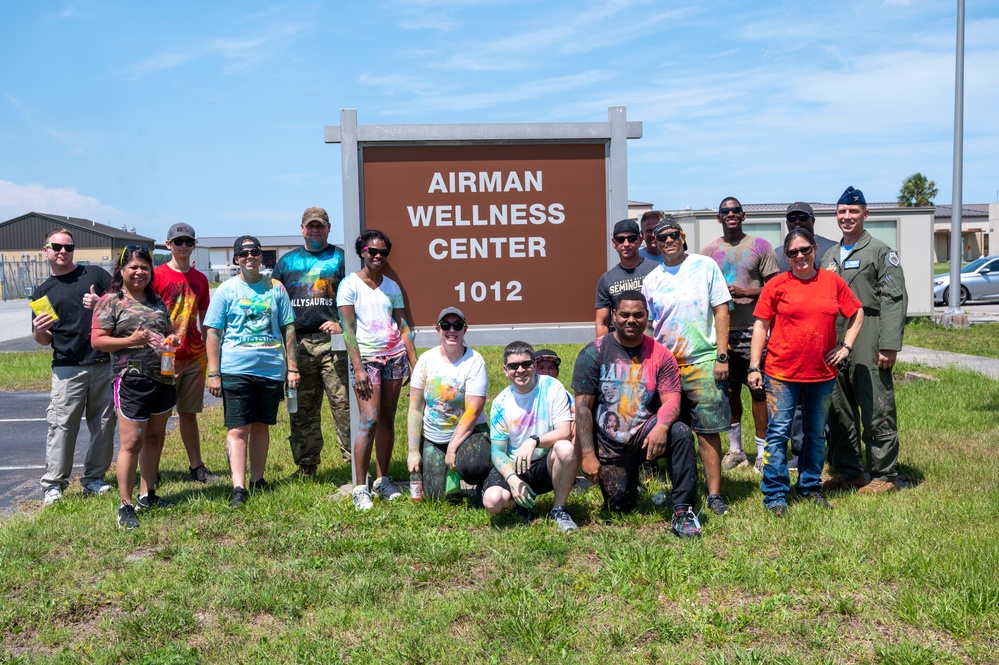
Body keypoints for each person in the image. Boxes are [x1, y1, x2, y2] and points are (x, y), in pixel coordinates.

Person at [749, 229, 864, 516]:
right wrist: (754, 366)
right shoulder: (776, 286)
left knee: (815, 435)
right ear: (786, 257)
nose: (800, 256)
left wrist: (846, 347)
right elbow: (761, 326)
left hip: (821, 375)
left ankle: (810, 487)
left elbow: (857, 312)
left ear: (814, 250)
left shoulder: (831, 281)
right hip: (781, 374)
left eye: (805, 250)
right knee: (778, 434)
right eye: (793, 252)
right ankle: (775, 494)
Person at [572, 291, 701, 538]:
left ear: (647, 317)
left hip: (646, 433)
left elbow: (672, 399)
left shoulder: (661, 354)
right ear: (614, 316)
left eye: (638, 315)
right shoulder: (594, 352)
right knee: (620, 506)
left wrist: (662, 427)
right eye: (625, 315)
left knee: (681, 432)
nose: (632, 320)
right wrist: (588, 455)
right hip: (610, 444)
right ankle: (633, 483)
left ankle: (683, 511)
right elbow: (582, 409)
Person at [642, 216, 733, 516]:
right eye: (661, 237)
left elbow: (721, 309)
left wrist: (722, 356)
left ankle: (715, 494)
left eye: (672, 235)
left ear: (682, 236)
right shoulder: (652, 279)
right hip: (667, 367)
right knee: (673, 430)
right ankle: (680, 488)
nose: (667, 241)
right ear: (654, 242)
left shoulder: (705, 266)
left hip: (703, 360)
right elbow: (649, 326)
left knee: (708, 430)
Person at [821, 186, 908, 495]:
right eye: (842, 211)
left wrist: (888, 344)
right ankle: (849, 471)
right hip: (836, 334)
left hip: (869, 330)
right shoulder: (829, 255)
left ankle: (884, 473)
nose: (847, 217)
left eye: (854, 211)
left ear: (865, 214)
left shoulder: (880, 251)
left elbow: (893, 298)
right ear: (836, 215)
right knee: (838, 404)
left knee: (874, 401)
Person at [205, 235, 299, 509]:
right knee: (238, 427)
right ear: (236, 259)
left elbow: (288, 327)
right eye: (244, 253)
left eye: (254, 252)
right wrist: (214, 373)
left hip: (271, 369)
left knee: (261, 425)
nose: (250, 257)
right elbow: (213, 332)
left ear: (261, 257)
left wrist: (292, 367)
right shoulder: (226, 290)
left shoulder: (276, 288)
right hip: (236, 368)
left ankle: (258, 479)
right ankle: (238, 487)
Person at [92, 246, 179, 529]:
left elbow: (166, 331)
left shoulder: (156, 301)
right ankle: (125, 505)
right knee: (131, 442)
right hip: (130, 379)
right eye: (133, 267)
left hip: (163, 377)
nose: (139, 272)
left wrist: (172, 338)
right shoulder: (110, 301)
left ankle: (147, 494)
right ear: (121, 270)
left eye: (144, 267)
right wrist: (130, 341)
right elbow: (98, 341)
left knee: (155, 439)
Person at [31, 228, 115, 506]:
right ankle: (54, 485)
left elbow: (121, 304)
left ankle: (94, 479)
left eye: (68, 247)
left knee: (103, 425)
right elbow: (45, 339)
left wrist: (100, 303)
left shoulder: (94, 276)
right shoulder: (43, 292)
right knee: (62, 426)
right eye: (56, 247)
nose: (63, 252)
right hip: (68, 367)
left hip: (102, 362)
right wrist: (37, 330)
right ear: (46, 251)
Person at [338, 229, 419, 511]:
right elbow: (348, 331)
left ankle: (383, 481)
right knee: (368, 420)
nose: (378, 256)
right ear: (362, 251)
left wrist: (413, 361)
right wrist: (358, 368)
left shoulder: (392, 287)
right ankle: (360, 487)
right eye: (373, 251)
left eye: (383, 252)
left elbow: (403, 326)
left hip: (394, 357)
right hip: (368, 360)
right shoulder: (349, 285)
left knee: (387, 418)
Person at [701, 197, 780, 475]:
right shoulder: (708, 251)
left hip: (754, 330)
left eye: (736, 210)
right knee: (729, 391)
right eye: (725, 211)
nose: (731, 214)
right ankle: (735, 451)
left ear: (743, 215)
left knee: (758, 391)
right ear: (718, 218)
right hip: (723, 335)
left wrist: (748, 293)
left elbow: (776, 287)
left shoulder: (760, 246)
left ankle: (762, 453)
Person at [272, 206, 351, 476]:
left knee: (344, 406)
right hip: (299, 345)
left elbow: (356, 297)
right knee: (301, 409)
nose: (315, 230)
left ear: (329, 228)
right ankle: (307, 464)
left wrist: (342, 325)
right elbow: (274, 303)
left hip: (334, 344)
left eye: (320, 225)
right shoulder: (286, 262)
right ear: (302, 229)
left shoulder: (342, 258)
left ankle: (353, 463)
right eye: (310, 226)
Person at [482, 341, 578, 531]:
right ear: (505, 370)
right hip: (515, 464)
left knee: (565, 448)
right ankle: (522, 500)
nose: (520, 370)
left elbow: (564, 431)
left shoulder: (552, 387)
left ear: (533, 365)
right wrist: (513, 479)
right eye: (513, 366)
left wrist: (533, 441)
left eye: (526, 364)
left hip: (545, 464)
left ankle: (559, 508)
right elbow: (498, 451)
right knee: (492, 502)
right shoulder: (501, 403)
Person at [152, 222, 219, 484]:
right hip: (164, 357)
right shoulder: (156, 276)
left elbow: (206, 320)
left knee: (189, 414)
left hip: (193, 357)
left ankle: (196, 467)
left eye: (187, 242)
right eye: (177, 241)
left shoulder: (200, 279)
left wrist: (210, 354)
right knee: (159, 417)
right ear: (168, 245)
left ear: (194, 245)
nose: (183, 246)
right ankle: (152, 471)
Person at [774, 202, 839, 467]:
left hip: (828, 342)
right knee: (798, 405)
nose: (797, 221)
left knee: (830, 404)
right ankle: (800, 455)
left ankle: (835, 454)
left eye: (803, 217)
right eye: (792, 218)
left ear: (813, 219)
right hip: (793, 345)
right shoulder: (780, 253)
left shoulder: (832, 249)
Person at [406, 307, 492, 501]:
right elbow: (415, 408)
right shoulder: (426, 360)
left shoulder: (475, 361)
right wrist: (413, 451)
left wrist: (453, 446)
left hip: (469, 433)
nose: (451, 330)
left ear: (465, 329)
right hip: (433, 436)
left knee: (473, 466)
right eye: (445, 325)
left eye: (457, 325)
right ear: (438, 330)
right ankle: (450, 482)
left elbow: (473, 410)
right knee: (435, 497)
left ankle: (484, 483)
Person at [594, 219, 657, 337]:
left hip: (652, 345)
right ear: (614, 242)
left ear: (640, 239)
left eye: (632, 238)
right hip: (620, 347)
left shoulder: (656, 271)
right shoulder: (607, 279)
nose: (626, 244)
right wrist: (604, 351)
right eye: (620, 240)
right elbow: (601, 323)